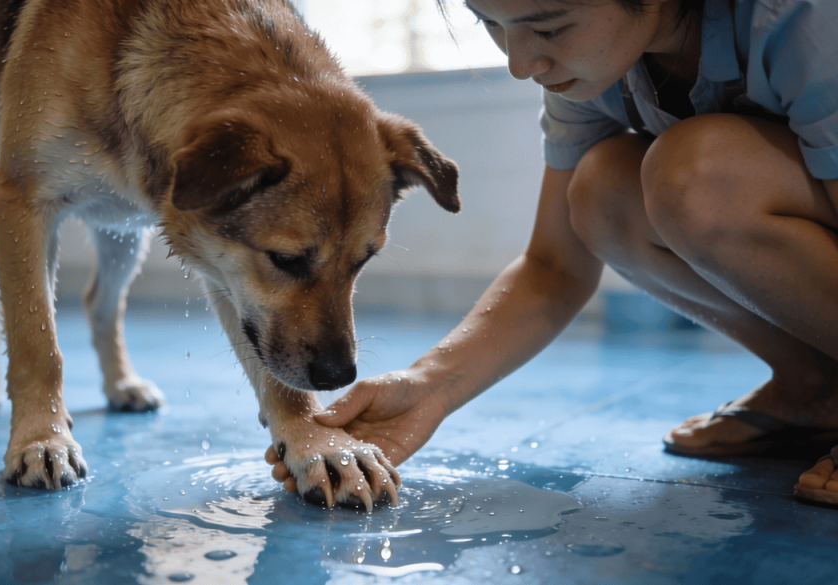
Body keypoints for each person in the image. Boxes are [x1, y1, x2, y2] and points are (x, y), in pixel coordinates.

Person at [266, 0, 838, 506]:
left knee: (697, 178)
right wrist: (429, 387)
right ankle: (811, 387)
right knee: (599, 192)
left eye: (549, 26)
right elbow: (555, 267)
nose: (520, 63)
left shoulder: (803, 16)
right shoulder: (600, 70)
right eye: (490, 23)